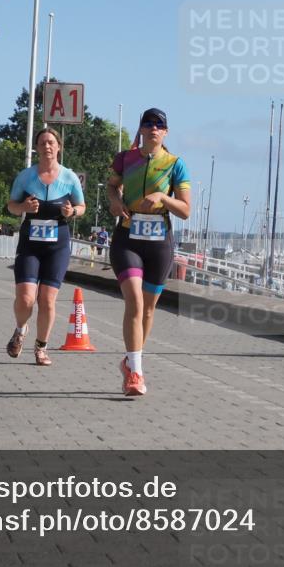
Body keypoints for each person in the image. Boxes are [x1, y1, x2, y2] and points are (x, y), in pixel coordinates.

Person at [107, 108, 191, 396]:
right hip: (127, 238)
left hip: (159, 243)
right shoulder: (125, 159)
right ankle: (136, 374)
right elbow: (111, 186)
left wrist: (163, 198)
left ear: (165, 132)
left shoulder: (175, 164)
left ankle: (130, 361)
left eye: (159, 125)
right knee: (134, 302)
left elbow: (186, 211)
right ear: (141, 129)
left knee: (148, 308)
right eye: (148, 124)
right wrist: (115, 202)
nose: (153, 128)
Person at [5, 128, 86, 366]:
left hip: (57, 245)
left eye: (51, 142)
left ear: (58, 147)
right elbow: (11, 205)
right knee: (26, 298)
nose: (47, 146)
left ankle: (41, 347)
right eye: (42, 143)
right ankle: (20, 330)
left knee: (48, 300)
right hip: (31, 244)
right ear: (37, 148)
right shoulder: (26, 177)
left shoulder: (69, 177)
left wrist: (73, 212)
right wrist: (23, 208)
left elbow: (82, 207)